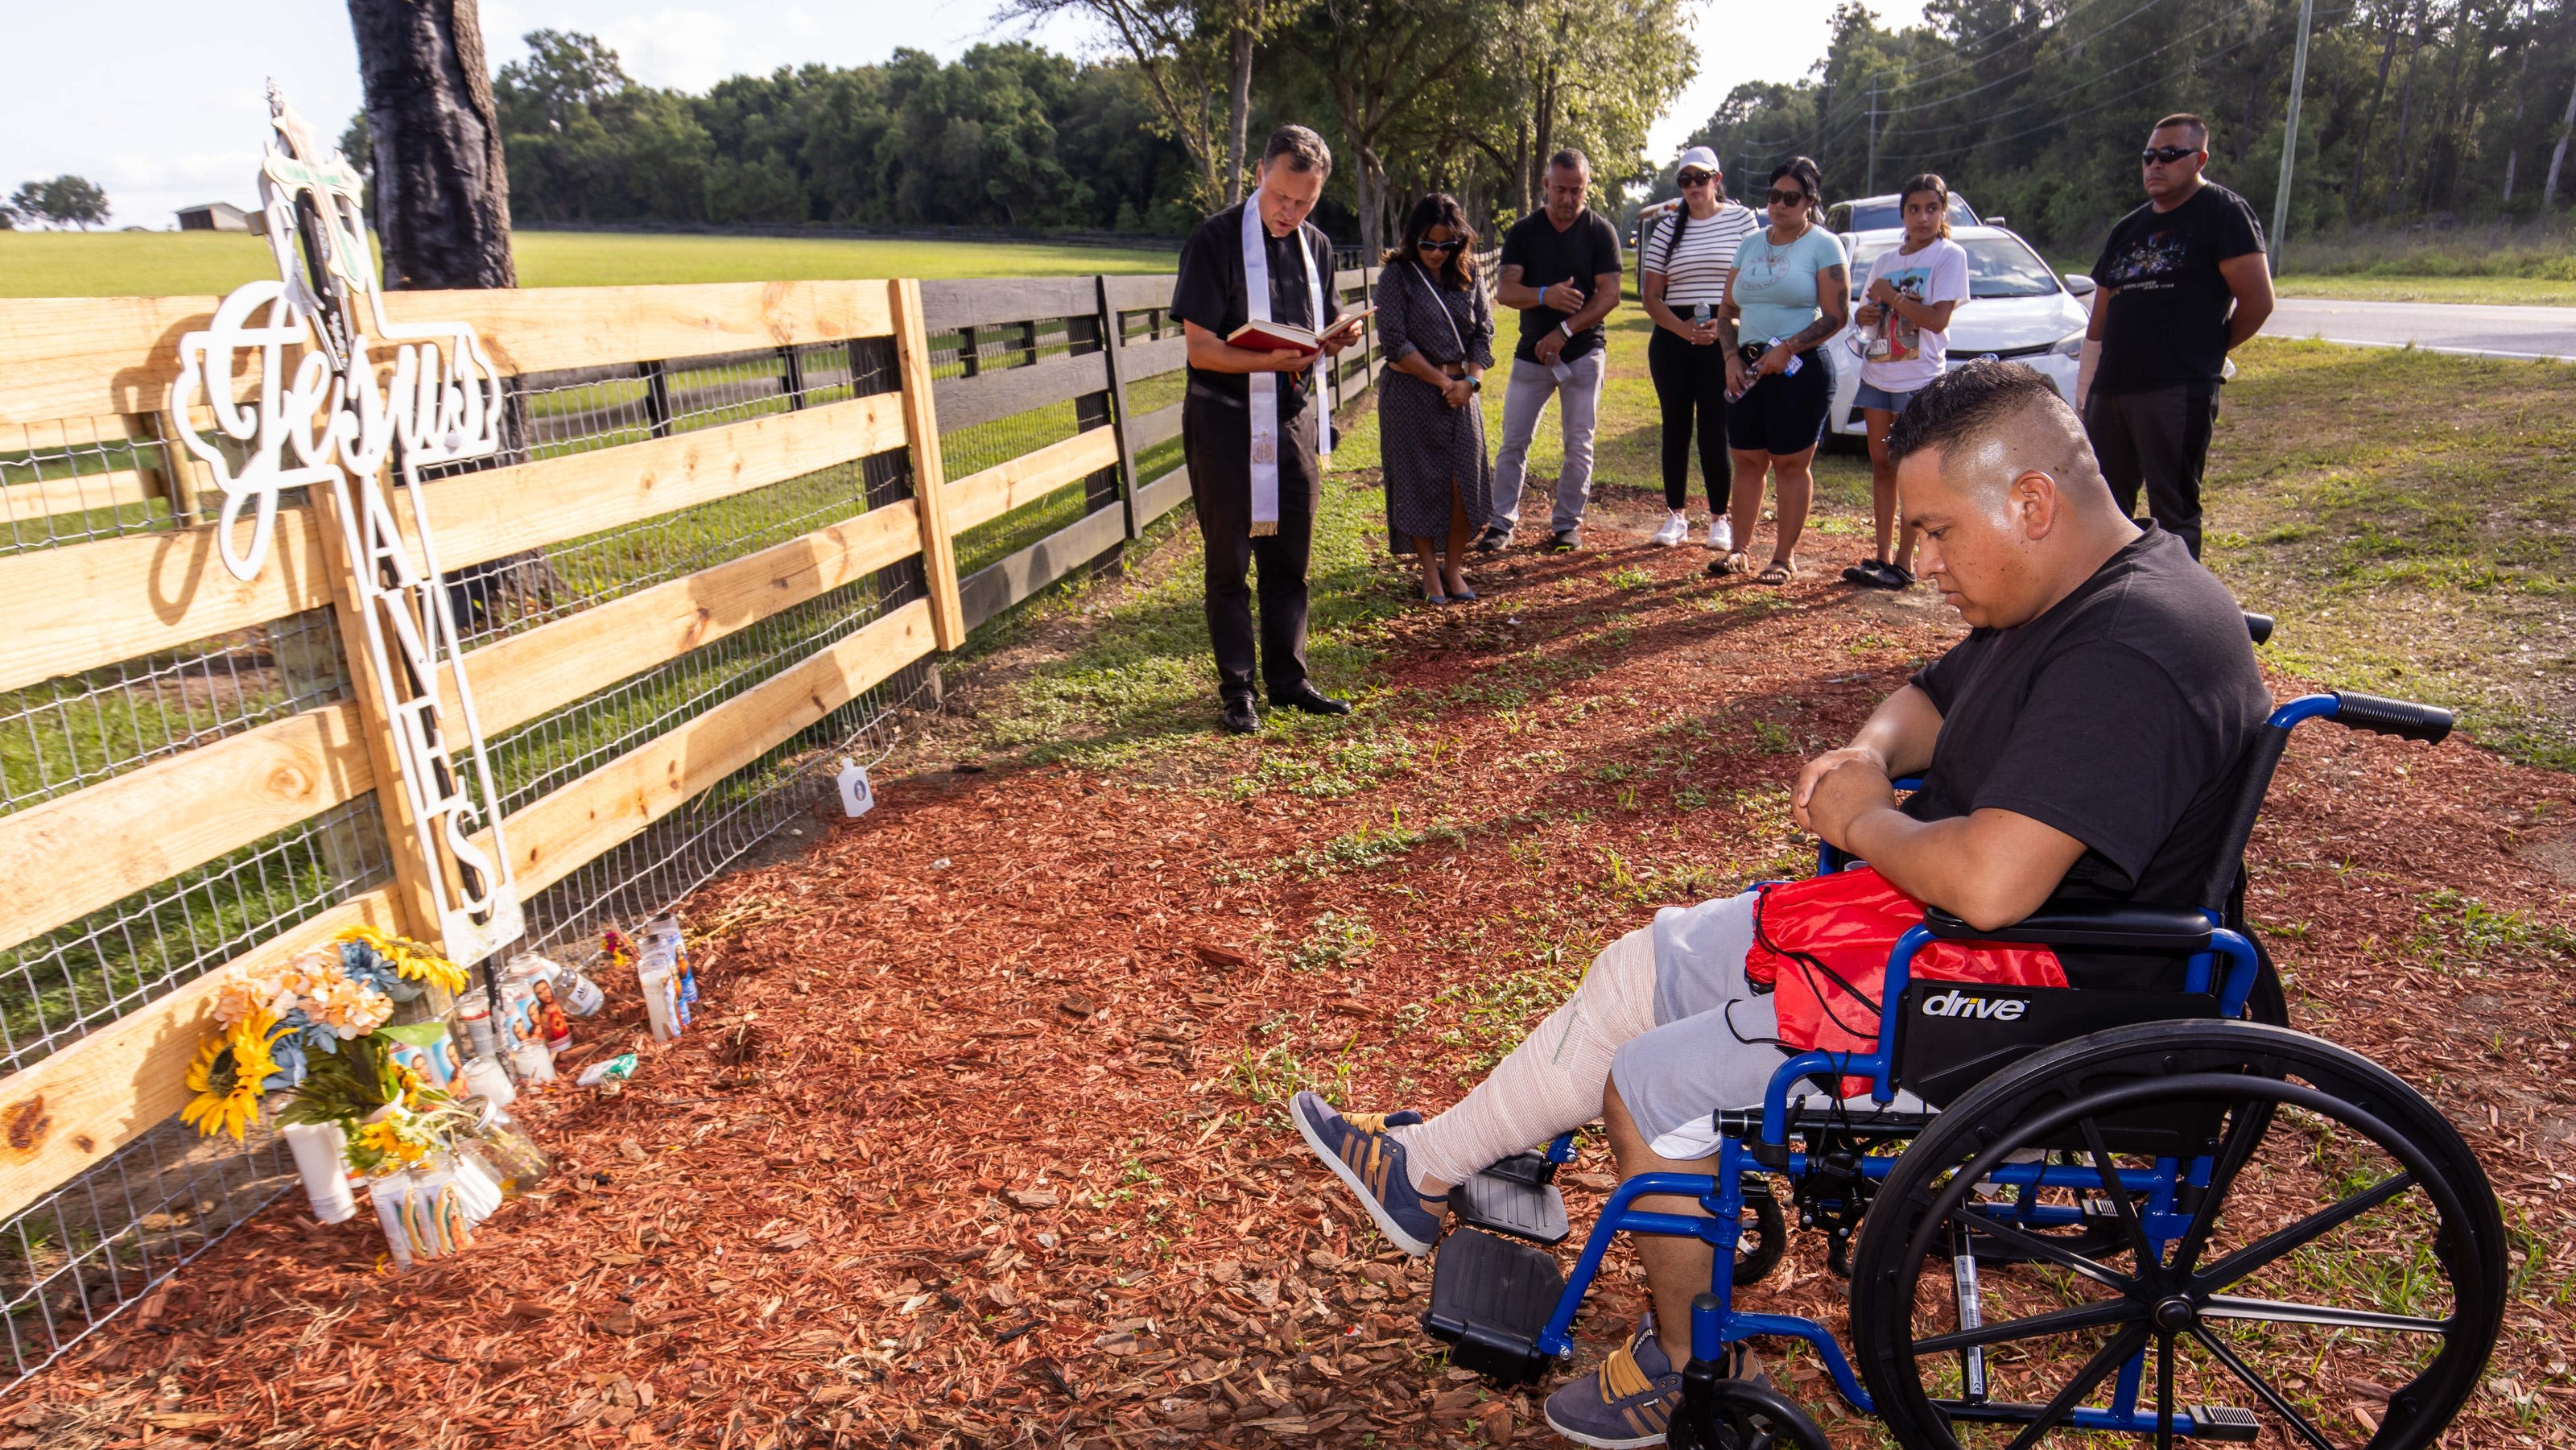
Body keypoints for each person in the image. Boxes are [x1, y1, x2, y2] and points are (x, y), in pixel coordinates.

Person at [1290, 361, 2272, 1446]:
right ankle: (1428, 1171)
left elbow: (1993, 884)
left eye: (1939, 532)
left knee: (1652, 1082)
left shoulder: (2133, 651)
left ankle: (1678, 1367)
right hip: (1934, 947)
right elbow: (1932, 700)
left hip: (2013, 1003)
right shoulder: (2069, 587)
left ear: (2031, 502)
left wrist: (1861, 822)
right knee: (1642, 964)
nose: (1925, 560)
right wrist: (1868, 753)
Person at [1170, 124, 1365, 734]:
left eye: (1305, 201)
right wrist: (1265, 360)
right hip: (1224, 422)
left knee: (1291, 558)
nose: (1290, 212)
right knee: (1228, 561)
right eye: (1283, 196)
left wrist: (1340, 334)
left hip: (1292, 418)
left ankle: (1289, 678)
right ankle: (1238, 689)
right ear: (1260, 174)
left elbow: (1319, 321)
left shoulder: (1319, 247)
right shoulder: (1215, 239)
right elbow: (1201, 349)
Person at [2080, 112, 2274, 559]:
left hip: (2175, 390)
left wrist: (2206, 352)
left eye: (2170, 155)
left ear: (2200, 158)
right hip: (2112, 391)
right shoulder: (2126, 230)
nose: (2155, 165)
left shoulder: (2224, 214)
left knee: (2173, 512)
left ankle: (2176, 616)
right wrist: (2087, 390)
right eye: (2149, 156)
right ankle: (2109, 608)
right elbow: (2099, 321)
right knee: (2103, 510)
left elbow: (2258, 303)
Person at [1713, 157, 1848, 585]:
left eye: (1791, 198)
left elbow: (1837, 315)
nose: (1779, 204)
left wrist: (1788, 347)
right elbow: (1727, 311)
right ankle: (1739, 551)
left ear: (1810, 201)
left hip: (1799, 368)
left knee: (1790, 463)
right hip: (1748, 368)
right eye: (1773, 196)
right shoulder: (1750, 244)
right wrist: (1732, 358)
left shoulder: (1825, 245)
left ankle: (1783, 557)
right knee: (1747, 459)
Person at [1482, 149, 1624, 554]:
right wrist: (1546, 295)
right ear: (1545, 185)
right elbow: (1506, 291)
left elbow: (1610, 294)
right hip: (1531, 354)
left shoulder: (1600, 232)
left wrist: (1563, 330)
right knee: (1513, 440)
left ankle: (1566, 525)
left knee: (1579, 441)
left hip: (1583, 352)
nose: (1567, 199)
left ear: (1586, 187)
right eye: (1560, 189)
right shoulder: (1524, 232)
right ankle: (1501, 523)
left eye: (1576, 190)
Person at [1842, 171, 1969, 590]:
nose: (1922, 217)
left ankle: (1904, 562)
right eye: (1914, 209)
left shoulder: (1949, 256)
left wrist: (1892, 297)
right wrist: (1866, 313)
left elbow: (1936, 319)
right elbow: (1864, 316)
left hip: (1920, 378)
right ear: (1903, 213)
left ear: (1943, 212)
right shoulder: (1885, 261)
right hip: (1879, 373)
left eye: (1931, 208)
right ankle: (1880, 556)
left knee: (1912, 470)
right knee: (1882, 466)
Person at [1373, 195, 1497, 604]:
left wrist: (1470, 384)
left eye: (1446, 245)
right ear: (1415, 238)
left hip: (1462, 394)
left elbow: (1484, 334)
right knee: (1418, 482)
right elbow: (1394, 340)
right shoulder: (1397, 275)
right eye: (1429, 244)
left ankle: (1454, 567)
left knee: (1466, 483)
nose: (1437, 253)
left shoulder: (1469, 273)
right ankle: (1429, 571)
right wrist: (1442, 382)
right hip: (1410, 392)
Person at [1640, 146, 1762, 550]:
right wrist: (1683, 329)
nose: (1693, 186)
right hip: (1675, 338)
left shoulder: (1743, 220)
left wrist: (1729, 323)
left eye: (1701, 177)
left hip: (1723, 335)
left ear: (1717, 179)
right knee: (1675, 426)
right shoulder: (1666, 229)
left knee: (1715, 426)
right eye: (1685, 180)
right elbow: (1652, 296)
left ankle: (1718, 518)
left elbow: (1756, 279)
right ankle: (1675, 514)